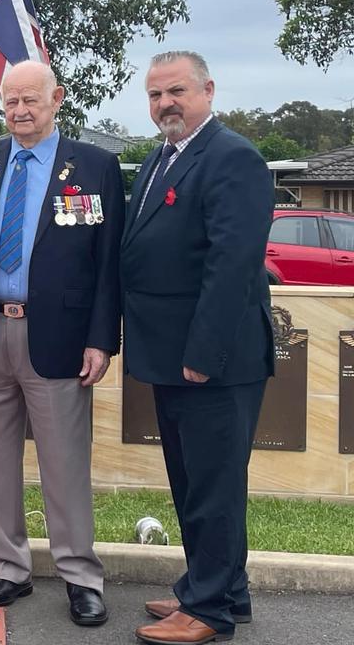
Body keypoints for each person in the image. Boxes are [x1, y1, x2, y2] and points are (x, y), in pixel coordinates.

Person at [0, 60, 121, 626]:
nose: (19, 110)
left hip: (58, 337)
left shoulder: (94, 167)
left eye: (30, 100)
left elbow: (109, 261)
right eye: (9, 101)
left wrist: (101, 339)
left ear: (56, 99)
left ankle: (79, 576)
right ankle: (8, 569)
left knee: (64, 462)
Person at [125, 51, 274, 645]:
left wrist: (201, 353)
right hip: (171, 355)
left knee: (212, 485)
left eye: (177, 92)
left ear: (208, 90)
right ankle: (219, 588)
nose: (166, 104)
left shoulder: (232, 157)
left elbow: (232, 265)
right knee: (193, 482)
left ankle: (209, 610)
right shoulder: (162, 159)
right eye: (156, 95)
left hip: (214, 361)